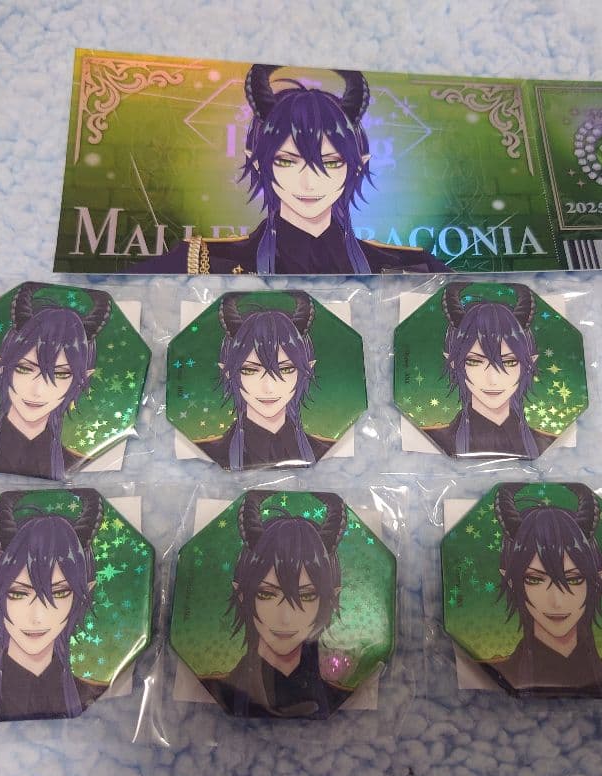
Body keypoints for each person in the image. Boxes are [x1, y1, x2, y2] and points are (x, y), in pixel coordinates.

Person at [133, 64, 452, 275]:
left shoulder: (409, 266)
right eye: (286, 161)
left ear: (358, 167)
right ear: (257, 161)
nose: (309, 182)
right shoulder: (206, 261)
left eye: (331, 163)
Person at [0, 489, 103, 721]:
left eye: (59, 592)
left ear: (84, 593)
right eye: (18, 593)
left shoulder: (95, 695)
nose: (37, 617)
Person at [203, 491, 351, 718]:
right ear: (242, 594)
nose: (285, 618)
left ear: (330, 598)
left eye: (307, 596)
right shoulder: (217, 691)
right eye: (266, 594)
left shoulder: (339, 697)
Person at [0, 282, 111, 479]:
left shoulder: (80, 465)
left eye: (61, 374)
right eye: (24, 368)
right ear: (2, 366)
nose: (38, 391)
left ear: (82, 378)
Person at [485, 483, 602, 697]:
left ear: (596, 580)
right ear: (512, 581)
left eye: (574, 579)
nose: (557, 601)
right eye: (534, 579)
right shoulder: (498, 671)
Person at [195, 293, 334, 470]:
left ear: (307, 369)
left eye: (286, 369)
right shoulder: (206, 454)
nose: (268, 388)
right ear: (228, 372)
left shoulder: (327, 452)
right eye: (249, 370)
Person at [425, 283, 553, 459]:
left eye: (509, 362)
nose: (493, 380)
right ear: (453, 363)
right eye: (474, 361)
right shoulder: (433, 440)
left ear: (529, 363)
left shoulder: (547, 444)